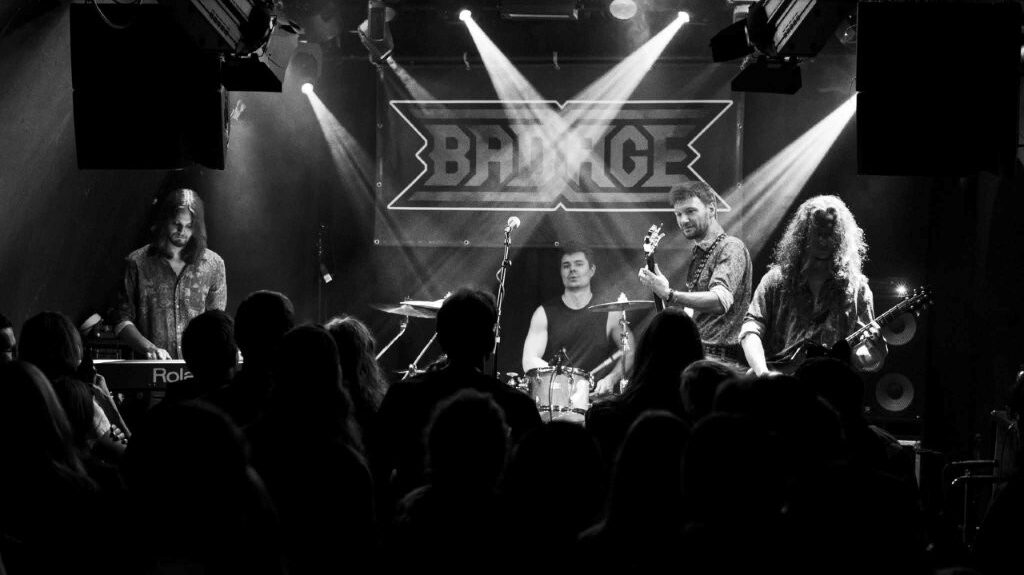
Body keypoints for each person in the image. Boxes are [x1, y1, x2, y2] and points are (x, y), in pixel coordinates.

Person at [372, 288, 542, 509]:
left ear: (441, 338)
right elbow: (536, 482)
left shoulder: (402, 395)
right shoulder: (518, 405)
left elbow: (376, 469)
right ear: (490, 342)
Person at [740, 195, 886, 376]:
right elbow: (750, 330)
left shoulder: (858, 289)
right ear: (803, 235)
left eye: (830, 234)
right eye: (817, 233)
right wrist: (763, 372)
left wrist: (877, 352)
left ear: (840, 237)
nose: (823, 241)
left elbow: (862, 359)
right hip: (780, 386)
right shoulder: (775, 280)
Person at [638, 181, 752, 366]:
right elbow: (696, 314)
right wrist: (664, 291)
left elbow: (720, 301)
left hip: (721, 363)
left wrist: (670, 294)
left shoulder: (731, 247)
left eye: (690, 211)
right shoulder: (699, 253)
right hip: (699, 358)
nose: (683, 220)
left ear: (711, 209)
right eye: (678, 214)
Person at [115, 188, 226, 359]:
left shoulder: (213, 264)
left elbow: (217, 322)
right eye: (176, 223)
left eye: (189, 226)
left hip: (198, 367)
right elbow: (121, 319)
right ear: (165, 221)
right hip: (152, 367)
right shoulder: (137, 262)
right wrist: (149, 348)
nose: (182, 231)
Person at [522, 242, 630, 395]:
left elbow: (629, 351)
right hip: (558, 398)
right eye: (566, 265)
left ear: (592, 270)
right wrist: (562, 379)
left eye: (579, 264)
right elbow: (529, 359)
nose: (572, 269)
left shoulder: (610, 313)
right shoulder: (543, 313)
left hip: (596, 398)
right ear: (561, 272)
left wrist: (611, 378)